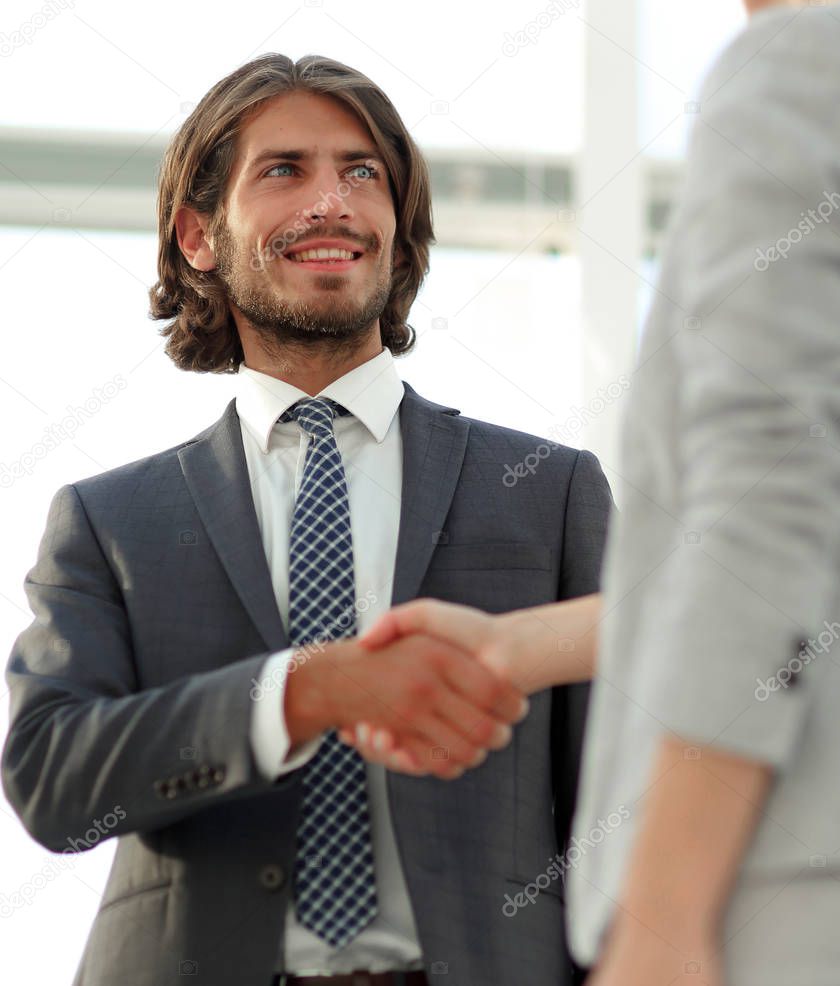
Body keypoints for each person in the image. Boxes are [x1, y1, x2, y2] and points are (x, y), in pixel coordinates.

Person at [347, 0, 840, 983]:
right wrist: (519, 646)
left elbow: (765, 504)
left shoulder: (803, 72)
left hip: (798, 877)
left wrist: (662, 914)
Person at [1, 53, 612, 986]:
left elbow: (637, 780)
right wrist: (303, 692)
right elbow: (52, 777)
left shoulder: (549, 490)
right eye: (284, 170)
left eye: (362, 173)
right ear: (200, 236)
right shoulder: (108, 521)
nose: (332, 202)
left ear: (397, 230)